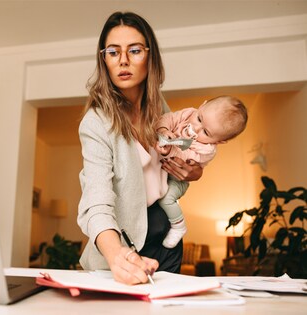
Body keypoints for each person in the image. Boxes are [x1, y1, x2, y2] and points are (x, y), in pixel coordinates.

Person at [77, 11, 203, 285]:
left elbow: (176, 161)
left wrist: (192, 172)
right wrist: (116, 254)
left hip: (166, 241)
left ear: (150, 56)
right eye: (113, 52)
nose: (123, 60)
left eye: (134, 50)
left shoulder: (161, 109)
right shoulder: (96, 123)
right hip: (122, 247)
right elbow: (96, 202)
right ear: (104, 60)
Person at [154, 96, 248, 248]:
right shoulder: (187, 114)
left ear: (219, 141)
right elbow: (168, 118)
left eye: (205, 131)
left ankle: (178, 226)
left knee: (166, 198)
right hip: (162, 169)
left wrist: (170, 149)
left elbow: (186, 157)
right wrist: (163, 130)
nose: (195, 128)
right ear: (202, 106)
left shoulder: (207, 149)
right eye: (199, 118)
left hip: (177, 179)